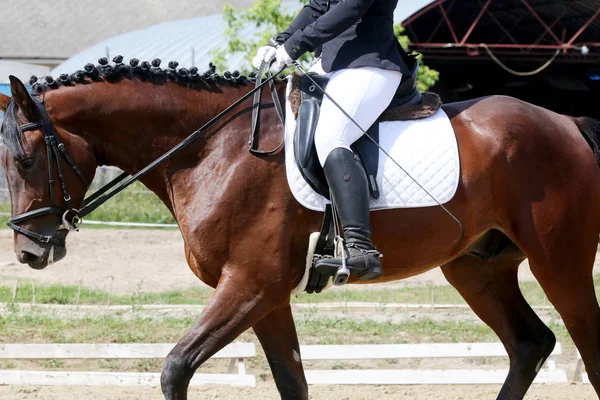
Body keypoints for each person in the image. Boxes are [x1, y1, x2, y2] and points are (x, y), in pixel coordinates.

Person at [252, 0, 413, 280]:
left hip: (368, 64)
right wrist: (279, 40)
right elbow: (317, 7)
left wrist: (294, 46)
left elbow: (351, 7)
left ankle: (360, 248)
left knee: (331, 136)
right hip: (329, 66)